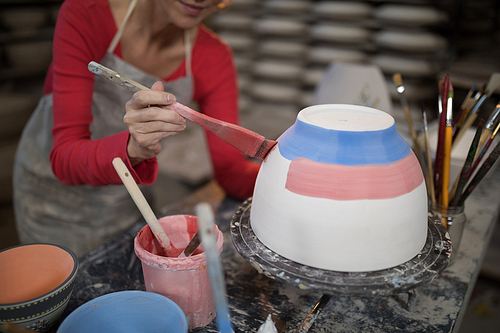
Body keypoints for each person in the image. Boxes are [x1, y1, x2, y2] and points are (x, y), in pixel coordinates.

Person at [13, 0, 260, 257]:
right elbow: (64, 157)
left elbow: (230, 169)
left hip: (127, 197)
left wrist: (288, 178)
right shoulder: (87, 14)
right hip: (52, 199)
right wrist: (133, 149)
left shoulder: (213, 57)